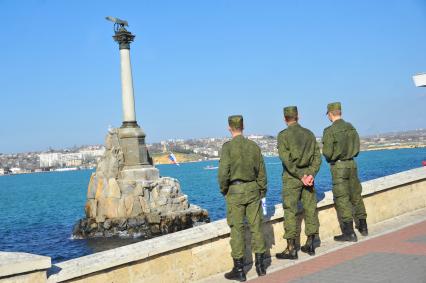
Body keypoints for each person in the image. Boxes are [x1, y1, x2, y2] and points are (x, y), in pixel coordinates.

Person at [218, 115, 267, 281]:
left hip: (235, 191)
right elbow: (261, 172)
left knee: (237, 229)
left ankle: (239, 270)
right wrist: (262, 190)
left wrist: (224, 190)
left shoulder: (228, 148)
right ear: (243, 126)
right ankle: (261, 266)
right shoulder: (253, 146)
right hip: (253, 190)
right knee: (256, 227)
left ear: (229, 128)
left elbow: (223, 173)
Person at [276, 106, 322, 260]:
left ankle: (291, 249)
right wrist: (309, 174)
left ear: (284, 118)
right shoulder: (309, 134)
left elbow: (286, 160)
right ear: (298, 116)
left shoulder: (283, 136)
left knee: (290, 211)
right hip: (308, 178)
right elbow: (317, 157)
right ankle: (310, 243)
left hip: (292, 179)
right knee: (310, 209)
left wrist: (300, 176)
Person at [322, 102, 368, 242]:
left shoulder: (329, 131)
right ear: (340, 112)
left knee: (342, 198)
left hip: (339, 167)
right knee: (356, 195)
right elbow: (357, 149)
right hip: (352, 165)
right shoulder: (351, 128)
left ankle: (349, 233)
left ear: (330, 114)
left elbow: (328, 153)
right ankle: (363, 226)